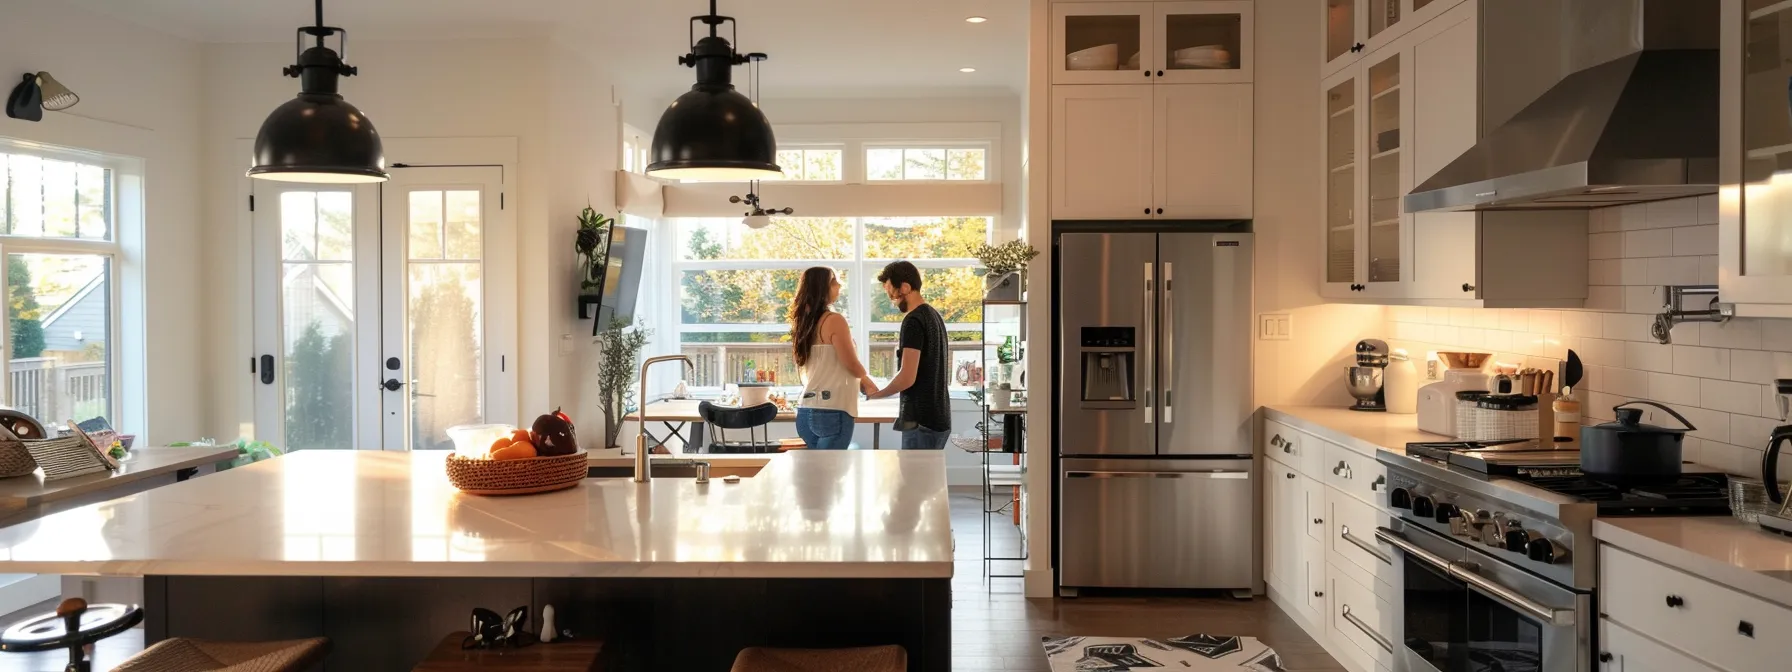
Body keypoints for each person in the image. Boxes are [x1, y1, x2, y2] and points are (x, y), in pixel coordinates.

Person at [790, 267, 878, 450]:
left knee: (818, 475)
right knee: (830, 475)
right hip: (832, 411)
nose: (839, 285)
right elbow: (851, 363)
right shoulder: (833, 320)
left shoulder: (804, 323)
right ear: (821, 288)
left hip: (806, 411)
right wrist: (868, 381)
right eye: (833, 281)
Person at [868, 260, 951, 450]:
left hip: (921, 421)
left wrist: (878, 394)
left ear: (905, 287)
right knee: (927, 478)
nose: (893, 301)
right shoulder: (934, 316)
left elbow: (907, 376)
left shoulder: (913, 321)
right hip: (939, 417)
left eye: (893, 295)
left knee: (913, 480)